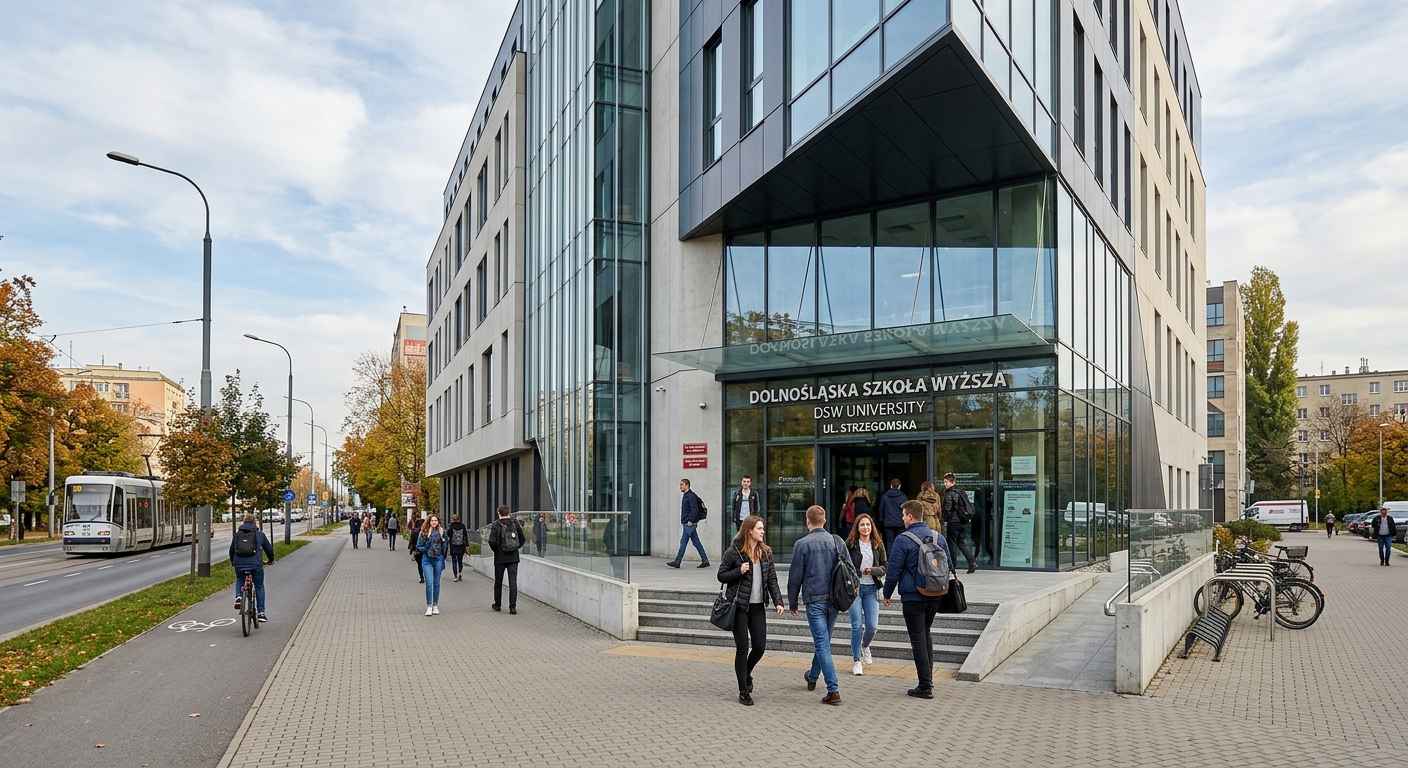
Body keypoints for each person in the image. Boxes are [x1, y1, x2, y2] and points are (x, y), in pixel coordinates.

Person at [884, 500, 952, 699]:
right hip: (935, 594)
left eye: (904, 515)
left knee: (918, 639)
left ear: (911, 517)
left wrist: (887, 593)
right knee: (926, 634)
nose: (902, 518)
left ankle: (925, 686)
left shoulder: (903, 539)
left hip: (913, 596)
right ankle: (928, 680)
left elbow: (894, 569)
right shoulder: (939, 537)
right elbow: (949, 563)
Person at [717, 515, 784, 706]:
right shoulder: (734, 552)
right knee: (742, 648)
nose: (763, 531)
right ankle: (743, 691)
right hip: (739, 607)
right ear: (749, 531)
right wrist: (739, 571)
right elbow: (721, 575)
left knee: (760, 647)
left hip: (757, 607)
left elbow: (772, 580)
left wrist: (778, 601)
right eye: (759, 528)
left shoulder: (766, 553)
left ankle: (746, 673)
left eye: (763, 528)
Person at [788, 505, 843, 705]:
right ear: (825, 520)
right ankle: (812, 677)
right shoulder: (836, 541)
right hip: (834, 600)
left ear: (807, 522)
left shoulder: (801, 544)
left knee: (821, 643)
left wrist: (792, 602)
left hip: (814, 600)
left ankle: (833, 689)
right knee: (824, 642)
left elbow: (795, 576)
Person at [845, 513, 886, 676]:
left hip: (872, 589)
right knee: (856, 625)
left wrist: (873, 571)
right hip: (855, 589)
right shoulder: (851, 544)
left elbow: (884, 566)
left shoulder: (877, 544)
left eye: (868, 525)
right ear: (857, 527)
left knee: (872, 626)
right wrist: (859, 573)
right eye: (862, 525)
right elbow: (845, 567)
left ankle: (864, 646)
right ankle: (856, 661)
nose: (865, 528)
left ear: (872, 527)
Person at [230, 513, 275, 622]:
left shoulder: (237, 535)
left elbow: (232, 550)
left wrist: (233, 562)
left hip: (239, 563)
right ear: (255, 522)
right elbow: (268, 549)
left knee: (240, 579)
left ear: (244, 522)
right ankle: (261, 613)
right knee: (259, 586)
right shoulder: (260, 534)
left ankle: (239, 597)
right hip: (256, 565)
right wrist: (271, 560)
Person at [489, 505, 525, 613]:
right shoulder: (515, 523)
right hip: (513, 557)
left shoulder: (496, 524)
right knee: (513, 582)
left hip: (500, 557)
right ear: (508, 512)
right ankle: (512, 607)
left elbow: (492, 541)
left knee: (498, 582)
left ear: (499, 513)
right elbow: (522, 538)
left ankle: (498, 605)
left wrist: (497, 550)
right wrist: (515, 548)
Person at [667, 478, 710, 569]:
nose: (680, 487)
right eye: (680, 485)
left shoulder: (690, 496)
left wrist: (690, 520)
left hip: (689, 523)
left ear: (687, 485)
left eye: (681, 485)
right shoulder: (687, 495)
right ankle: (705, 560)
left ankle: (677, 562)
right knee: (696, 542)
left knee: (683, 542)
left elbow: (694, 509)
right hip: (688, 522)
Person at [941, 472, 978, 574]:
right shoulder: (962, 492)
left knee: (951, 543)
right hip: (963, 521)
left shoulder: (950, 494)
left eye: (946, 482)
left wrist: (945, 518)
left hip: (953, 522)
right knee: (961, 542)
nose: (945, 484)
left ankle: (952, 566)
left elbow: (947, 509)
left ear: (952, 482)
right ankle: (972, 562)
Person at [417, 515, 447, 615]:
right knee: (429, 583)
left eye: (436, 520)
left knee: (436, 583)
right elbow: (418, 546)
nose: (434, 522)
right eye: (432, 520)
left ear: (438, 522)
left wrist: (443, 539)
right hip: (427, 559)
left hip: (438, 558)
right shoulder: (424, 532)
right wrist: (426, 548)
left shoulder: (442, 531)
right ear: (429, 522)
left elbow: (445, 546)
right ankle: (429, 606)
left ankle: (435, 605)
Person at [876, 479, 908, 549]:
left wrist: (881, 521)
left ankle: (890, 559)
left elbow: (881, 509)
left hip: (888, 523)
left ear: (891, 486)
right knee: (899, 542)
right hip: (900, 523)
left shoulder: (885, 496)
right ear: (899, 486)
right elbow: (906, 510)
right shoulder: (903, 496)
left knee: (889, 542)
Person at [447, 514, 470, 582]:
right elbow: (465, 536)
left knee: (454, 561)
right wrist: (466, 545)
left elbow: (449, 534)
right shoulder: (462, 525)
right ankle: (460, 572)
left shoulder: (451, 526)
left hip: (453, 546)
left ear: (452, 519)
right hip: (461, 546)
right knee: (460, 561)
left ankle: (455, 576)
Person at [408, 516, 424, 582]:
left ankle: (421, 577)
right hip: (425, 550)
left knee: (419, 564)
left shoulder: (414, 532)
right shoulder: (425, 532)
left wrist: (410, 548)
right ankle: (427, 575)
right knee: (425, 563)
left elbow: (411, 541)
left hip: (417, 550)